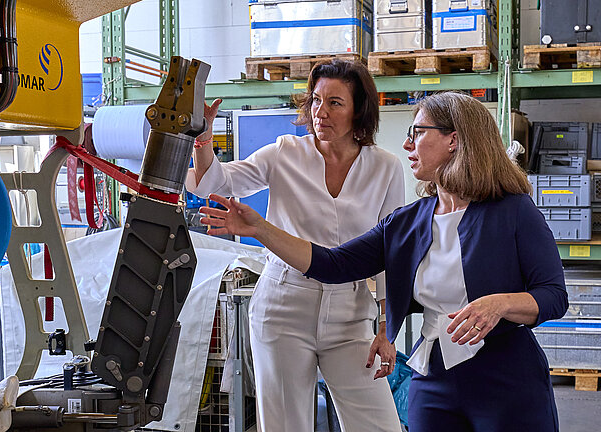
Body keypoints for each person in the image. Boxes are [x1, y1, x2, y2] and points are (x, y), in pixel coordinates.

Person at [200, 91, 568, 432]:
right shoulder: (407, 221)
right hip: (435, 379)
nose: (407, 144)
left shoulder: (514, 212)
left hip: (507, 380)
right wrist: (261, 229)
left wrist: (500, 304)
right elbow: (333, 264)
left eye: (418, 132)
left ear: (454, 140)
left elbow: (553, 295)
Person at [186, 59, 403, 431]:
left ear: (358, 110)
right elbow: (214, 184)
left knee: (379, 424)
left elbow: (390, 253)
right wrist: (203, 139)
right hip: (283, 306)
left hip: (351, 314)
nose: (321, 112)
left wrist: (386, 328)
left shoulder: (385, 167)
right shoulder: (284, 152)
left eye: (335, 103)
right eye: (316, 100)